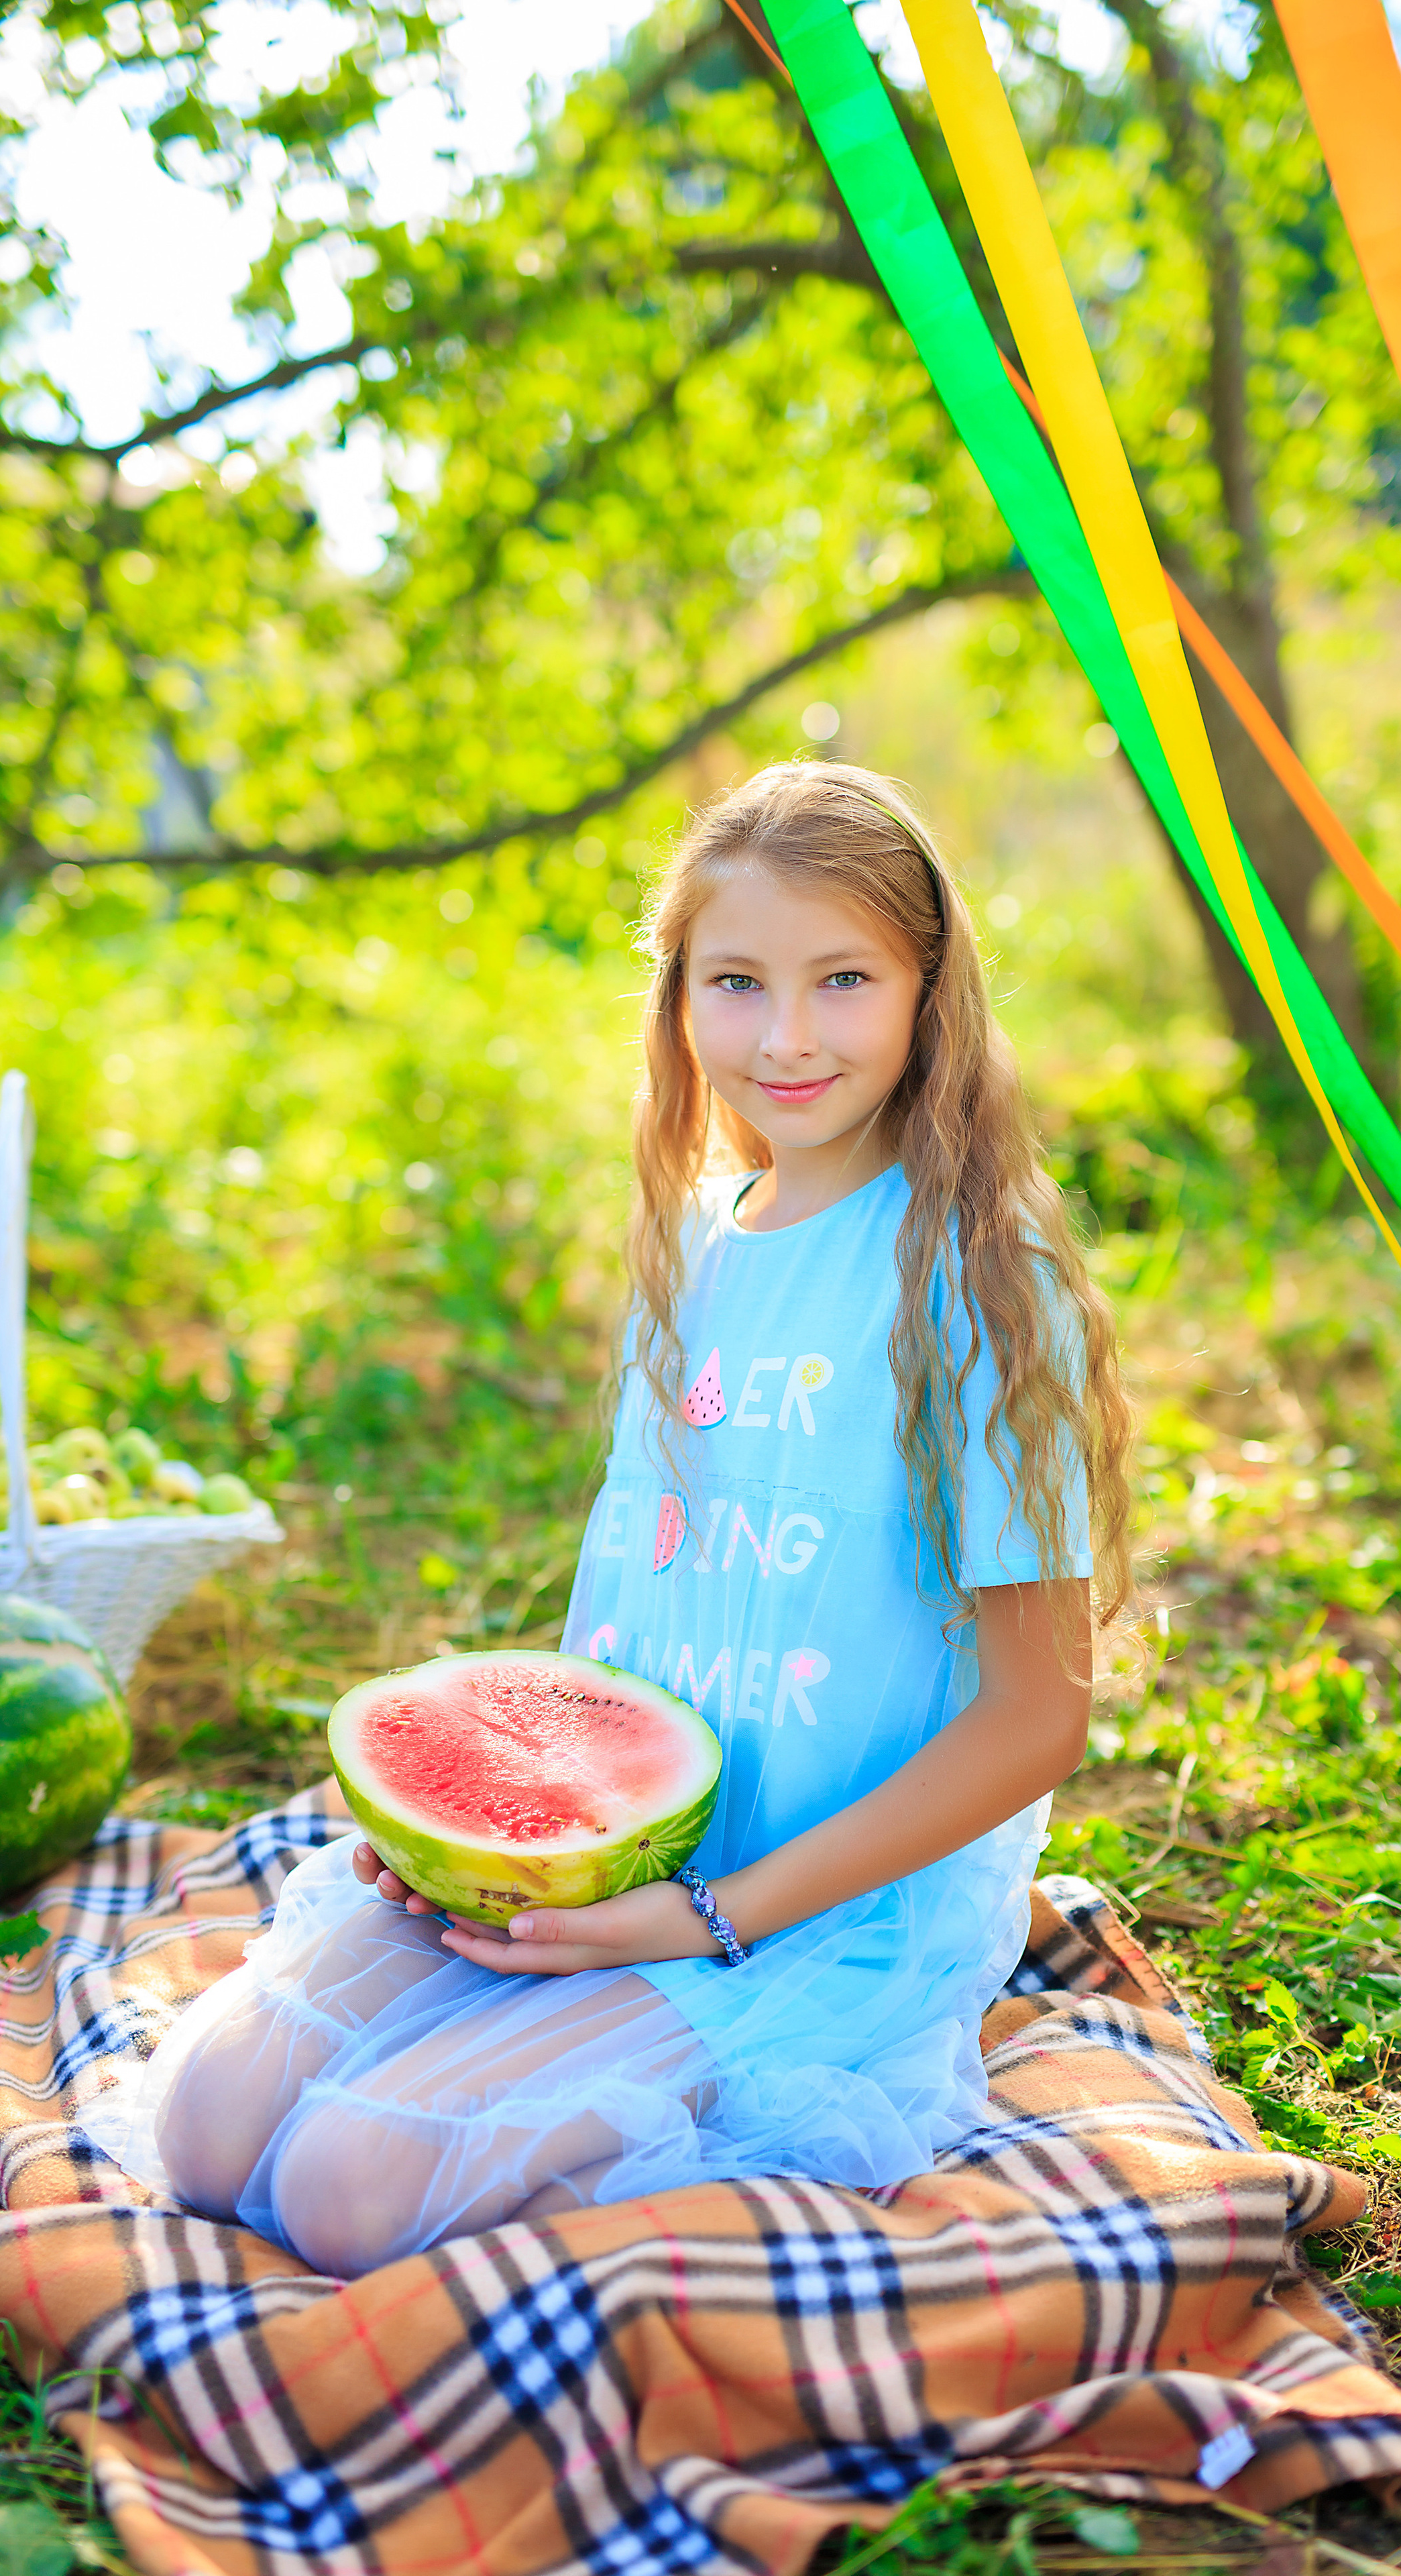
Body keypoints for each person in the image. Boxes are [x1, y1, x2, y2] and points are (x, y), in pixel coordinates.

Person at [113, 761, 1135, 2276]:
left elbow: (1036, 1719)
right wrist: (478, 1839)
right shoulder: (693, 1246)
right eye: (737, 982)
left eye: (843, 979)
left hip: (820, 1910)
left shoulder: (981, 1279)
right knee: (206, 2128)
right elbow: (651, 1627)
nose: (786, 1037)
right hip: (626, 1860)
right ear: (678, 997)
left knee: (347, 2193)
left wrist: (709, 1917)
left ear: (931, 991)